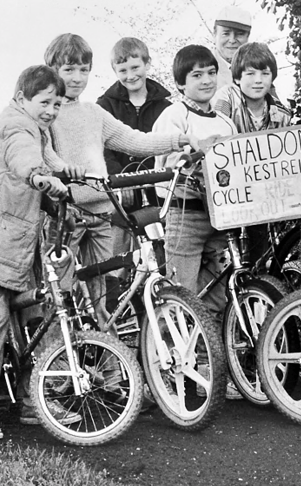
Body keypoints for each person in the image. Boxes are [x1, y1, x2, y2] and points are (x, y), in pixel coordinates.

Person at [0, 65, 84, 440]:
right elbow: (23, 158)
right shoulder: (16, 126)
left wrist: (62, 173)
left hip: (11, 241)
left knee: (33, 314)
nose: (51, 110)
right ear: (21, 98)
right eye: (45, 102)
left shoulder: (36, 127)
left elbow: (46, 160)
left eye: (57, 104)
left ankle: (30, 399)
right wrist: (39, 176)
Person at [43, 33, 197, 330]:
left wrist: (176, 140)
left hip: (102, 212)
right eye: (68, 70)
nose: (77, 78)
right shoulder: (49, 112)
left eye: (84, 70)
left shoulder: (94, 112)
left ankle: (110, 365)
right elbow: (44, 152)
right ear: (53, 71)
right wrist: (63, 168)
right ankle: (59, 368)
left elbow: (132, 140)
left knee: (103, 295)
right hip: (66, 214)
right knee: (60, 293)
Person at [152, 44, 239, 399]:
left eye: (210, 73)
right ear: (180, 84)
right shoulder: (173, 116)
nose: (205, 81)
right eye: (196, 75)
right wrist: (184, 156)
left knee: (218, 293)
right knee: (180, 293)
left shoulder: (225, 121)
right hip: (184, 212)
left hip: (220, 217)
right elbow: (163, 161)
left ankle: (207, 365)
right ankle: (166, 372)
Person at [95, 37, 173, 308]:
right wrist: (119, 178)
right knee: (119, 245)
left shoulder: (165, 104)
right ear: (115, 72)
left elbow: (164, 141)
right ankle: (114, 304)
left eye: (135, 67)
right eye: (123, 71)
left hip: (155, 184)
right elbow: (102, 146)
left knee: (159, 243)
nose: (131, 75)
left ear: (148, 64)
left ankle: (160, 299)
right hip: (120, 185)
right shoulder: (105, 104)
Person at [213, 41, 292, 264]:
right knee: (227, 252)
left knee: (261, 252)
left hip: (262, 195)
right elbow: (216, 131)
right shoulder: (227, 97)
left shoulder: (281, 113)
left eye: (265, 73)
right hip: (230, 190)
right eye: (250, 73)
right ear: (237, 77)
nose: (258, 80)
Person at [212, 6, 252, 89]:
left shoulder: (256, 68)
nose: (232, 40)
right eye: (226, 33)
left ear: (247, 37)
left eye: (239, 34)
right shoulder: (202, 68)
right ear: (214, 35)